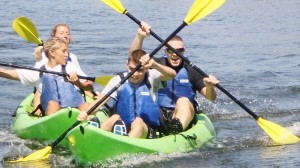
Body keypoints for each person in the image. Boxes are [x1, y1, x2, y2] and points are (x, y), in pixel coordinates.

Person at [129, 21, 219, 134]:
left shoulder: (192, 70)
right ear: (165, 50)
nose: (175, 54)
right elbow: (134, 58)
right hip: (158, 115)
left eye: (179, 51)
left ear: (184, 50)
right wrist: (140, 36)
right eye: (171, 50)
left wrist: (210, 87)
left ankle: (176, 130)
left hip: (183, 115)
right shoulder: (154, 63)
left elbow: (211, 97)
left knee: (183, 100)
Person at [77, 49, 176, 138]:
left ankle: (125, 142)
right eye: (131, 69)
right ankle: (95, 137)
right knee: (115, 117)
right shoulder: (118, 80)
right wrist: (86, 113)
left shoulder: (152, 76)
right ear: (126, 64)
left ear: (146, 68)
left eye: (139, 70)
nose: (135, 74)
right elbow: (100, 101)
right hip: (122, 126)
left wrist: (155, 65)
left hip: (146, 129)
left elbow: (172, 74)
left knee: (138, 122)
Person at [0, 24, 94, 115]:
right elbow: (5, 73)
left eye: (66, 51)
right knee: (53, 104)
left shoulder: (70, 67)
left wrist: (78, 83)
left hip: (74, 109)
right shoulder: (37, 72)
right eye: (63, 51)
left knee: (85, 105)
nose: (66, 54)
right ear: (52, 52)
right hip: (53, 112)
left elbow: (90, 85)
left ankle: (90, 122)